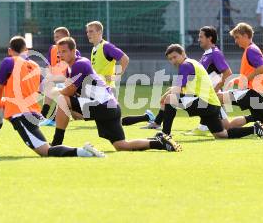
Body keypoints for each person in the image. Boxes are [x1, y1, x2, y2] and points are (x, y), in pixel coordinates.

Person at [0, 36, 104, 157]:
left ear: (10, 50)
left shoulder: (9, 61)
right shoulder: (35, 66)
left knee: (46, 151)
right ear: (26, 50)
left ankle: (83, 151)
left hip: (21, 114)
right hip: (28, 110)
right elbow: (44, 90)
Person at [48, 36, 181, 152]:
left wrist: (53, 91)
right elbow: (74, 95)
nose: (60, 55)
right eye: (59, 52)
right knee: (121, 145)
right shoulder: (72, 68)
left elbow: (69, 92)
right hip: (109, 107)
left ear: (73, 51)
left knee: (62, 98)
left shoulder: (79, 64)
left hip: (103, 106)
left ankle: (56, 143)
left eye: (64, 51)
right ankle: (159, 142)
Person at [122, 26, 254, 133]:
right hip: (205, 98)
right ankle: (254, 129)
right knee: (222, 133)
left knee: (171, 98)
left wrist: (216, 88)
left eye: (201, 37)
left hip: (207, 97)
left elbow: (227, 73)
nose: (198, 39)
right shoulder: (203, 56)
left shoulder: (214, 53)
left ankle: (163, 132)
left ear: (210, 38)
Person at [39, 27, 81, 126]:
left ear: (66, 37)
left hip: (68, 82)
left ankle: (55, 118)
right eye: (54, 37)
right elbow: (48, 66)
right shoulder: (52, 49)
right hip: (56, 79)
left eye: (58, 37)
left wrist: (52, 78)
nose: (55, 39)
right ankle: (43, 115)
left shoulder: (74, 52)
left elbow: (72, 75)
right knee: (48, 83)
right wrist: (48, 77)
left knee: (78, 116)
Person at [86, 21, 129, 89]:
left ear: (99, 32)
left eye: (91, 31)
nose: (88, 34)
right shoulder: (94, 48)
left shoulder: (106, 46)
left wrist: (116, 76)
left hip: (107, 89)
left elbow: (125, 59)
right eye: (87, 32)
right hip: (98, 89)